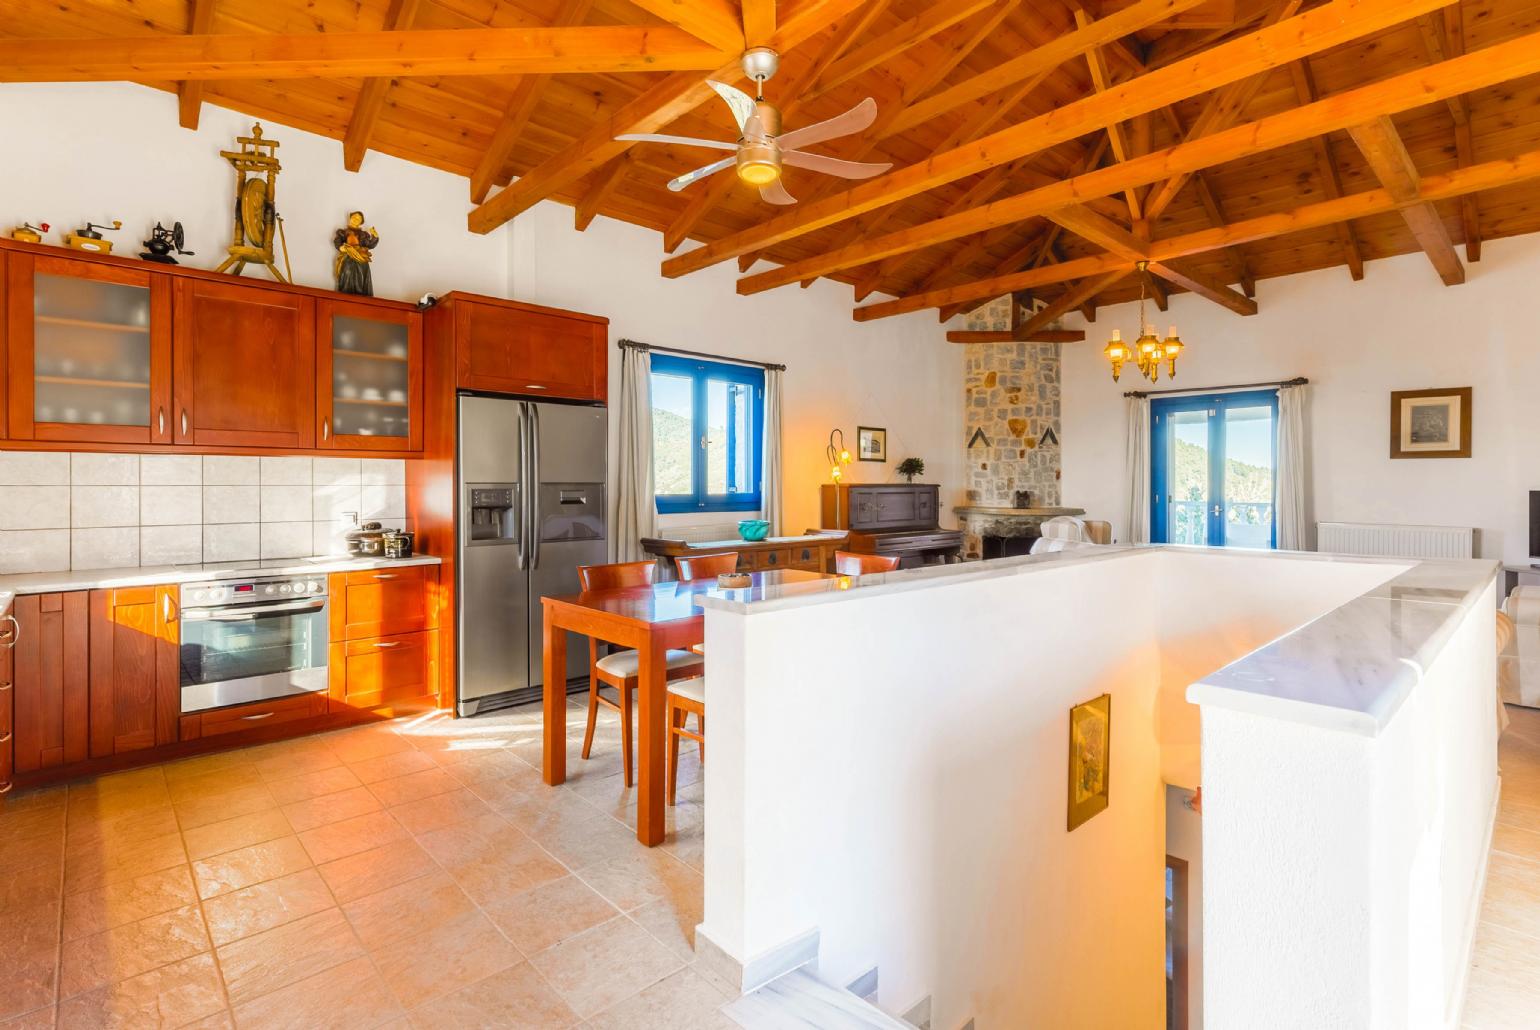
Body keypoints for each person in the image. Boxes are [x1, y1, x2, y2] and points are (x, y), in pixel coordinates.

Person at [333, 211, 379, 296]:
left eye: (358, 218)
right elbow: (337, 241)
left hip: (361, 257)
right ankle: (346, 291)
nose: (356, 219)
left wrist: (375, 237)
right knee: (348, 271)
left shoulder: (364, 234)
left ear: (361, 222)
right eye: (354, 217)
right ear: (350, 218)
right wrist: (340, 247)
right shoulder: (343, 232)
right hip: (348, 256)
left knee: (361, 273)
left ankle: (362, 294)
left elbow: (369, 245)